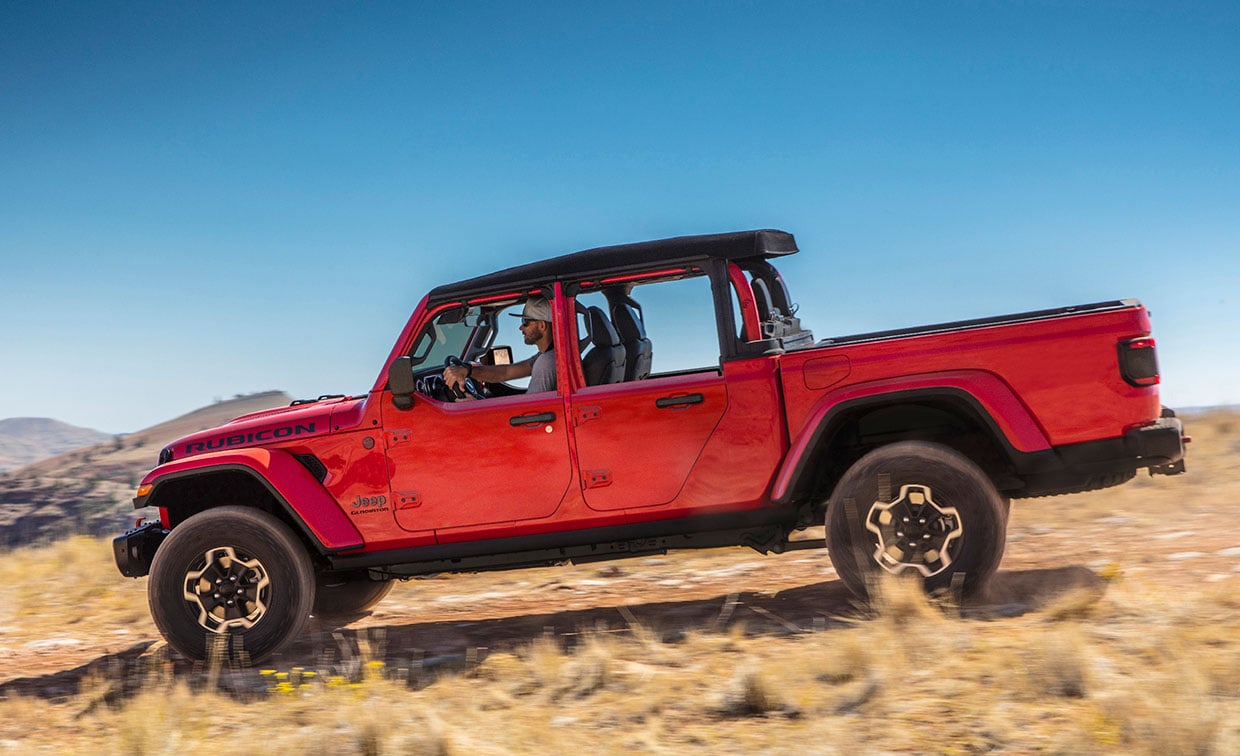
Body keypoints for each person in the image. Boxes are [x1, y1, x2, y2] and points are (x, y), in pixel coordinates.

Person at [443, 296, 556, 395]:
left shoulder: (546, 362)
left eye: (525, 322)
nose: (521, 328)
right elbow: (506, 371)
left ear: (542, 325)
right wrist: (468, 370)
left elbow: (530, 410)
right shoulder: (546, 356)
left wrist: (474, 405)